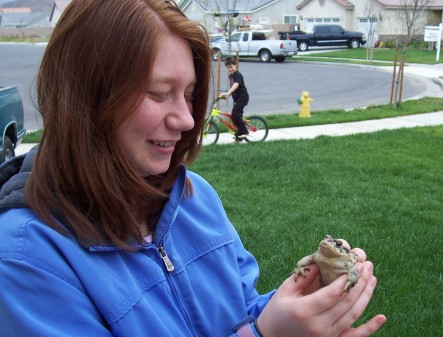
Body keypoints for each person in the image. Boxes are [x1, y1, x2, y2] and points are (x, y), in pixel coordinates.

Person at [0, 1, 386, 336]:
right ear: (87, 96)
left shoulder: (194, 196)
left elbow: (243, 312)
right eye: (158, 93)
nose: (186, 119)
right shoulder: (23, 258)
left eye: (188, 95)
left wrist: (303, 308)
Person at [220, 56, 250, 140]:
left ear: (235, 65)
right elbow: (232, 88)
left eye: (231, 67)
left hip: (242, 97)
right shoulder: (230, 76)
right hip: (237, 99)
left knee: (235, 114)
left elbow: (236, 85)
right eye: (228, 67)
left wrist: (227, 93)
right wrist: (227, 95)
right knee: (236, 118)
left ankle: (245, 132)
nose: (230, 69)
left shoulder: (238, 75)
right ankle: (239, 138)